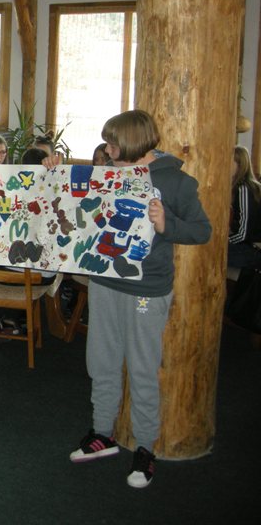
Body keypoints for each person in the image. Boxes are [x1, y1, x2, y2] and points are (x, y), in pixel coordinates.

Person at [57, 110, 211, 489]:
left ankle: (145, 448)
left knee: (142, 368)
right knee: (102, 361)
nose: (107, 151)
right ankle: (102, 433)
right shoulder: (109, 174)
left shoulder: (175, 181)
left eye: (113, 145)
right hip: (105, 280)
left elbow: (202, 231)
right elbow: (69, 200)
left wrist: (166, 224)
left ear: (133, 143)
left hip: (146, 289)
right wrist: (52, 170)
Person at [228, 145, 261, 269]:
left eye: (230, 161)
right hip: (248, 245)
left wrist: (222, 241)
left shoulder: (244, 189)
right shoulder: (243, 187)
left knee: (211, 252)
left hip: (252, 249)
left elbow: (243, 234)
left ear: (240, 165)